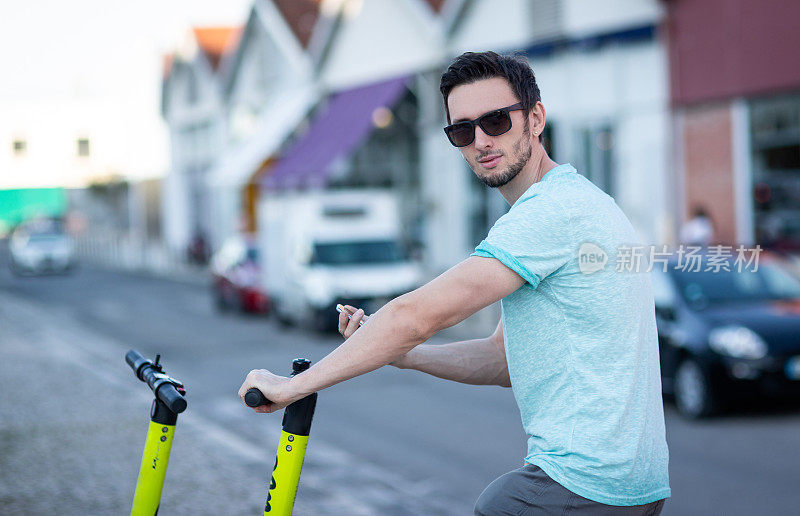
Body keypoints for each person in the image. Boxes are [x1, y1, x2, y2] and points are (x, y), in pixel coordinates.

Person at [239, 51, 670, 515]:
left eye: (496, 121)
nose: (481, 140)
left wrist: (291, 387)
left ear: (536, 118)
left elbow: (416, 315)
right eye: (463, 130)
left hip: (581, 485)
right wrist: (405, 356)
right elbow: (502, 360)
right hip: (629, 489)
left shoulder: (550, 212)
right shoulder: (572, 203)